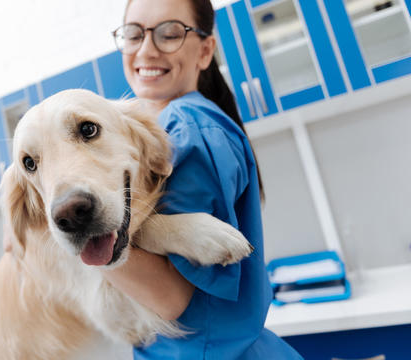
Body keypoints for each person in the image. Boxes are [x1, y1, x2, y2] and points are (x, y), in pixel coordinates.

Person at [100, 0, 304, 358]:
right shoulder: (180, 126)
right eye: (134, 34)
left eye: (170, 34)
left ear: (206, 50)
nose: (147, 50)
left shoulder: (185, 128)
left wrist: (72, 231)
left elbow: (171, 297)